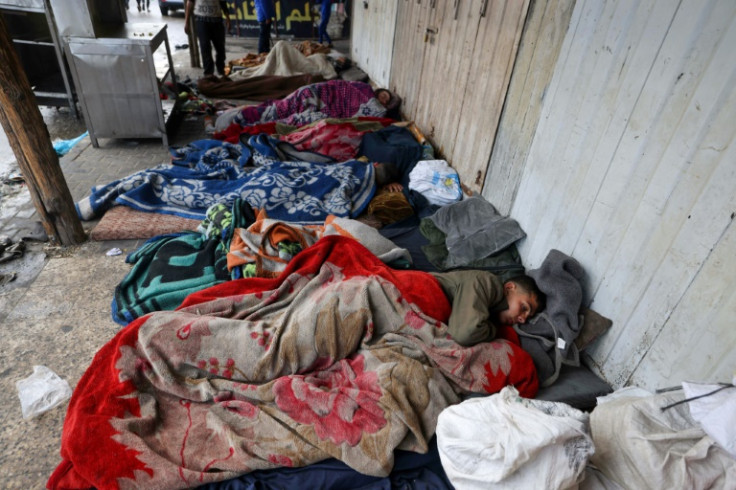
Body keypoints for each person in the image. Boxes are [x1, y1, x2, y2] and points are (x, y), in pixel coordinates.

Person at [430, 270, 546, 347]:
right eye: (524, 308)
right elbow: (465, 334)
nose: (523, 319)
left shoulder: (492, 310)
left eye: (528, 317)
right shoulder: (487, 283)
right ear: (509, 287)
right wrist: (495, 330)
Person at [184, 0, 231, 80]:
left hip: (217, 20)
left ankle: (221, 70)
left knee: (220, 48)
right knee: (205, 47)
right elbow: (190, 2)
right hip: (201, 20)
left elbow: (223, 2)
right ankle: (209, 74)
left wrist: (228, 18)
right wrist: (187, 21)